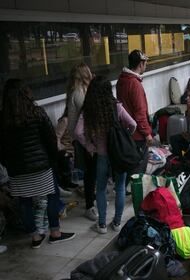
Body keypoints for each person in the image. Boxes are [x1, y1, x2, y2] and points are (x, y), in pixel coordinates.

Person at [0, 79, 75, 248]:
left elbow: (2, 148)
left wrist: (9, 165)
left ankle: (35, 237)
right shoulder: (37, 112)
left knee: (25, 202)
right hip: (41, 167)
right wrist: (52, 160)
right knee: (52, 196)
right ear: (26, 93)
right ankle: (55, 233)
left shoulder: (3, 119)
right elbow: (49, 139)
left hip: (17, 170)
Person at [75, 76, 137, 234]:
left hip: (101, 155)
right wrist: (125, 136)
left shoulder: (89, 110)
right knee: (120, 187)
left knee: (101, 189)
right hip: (118, 155)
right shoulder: (116, 107)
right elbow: (133, 124)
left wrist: (90, 146)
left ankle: (102, 224)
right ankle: (117, 223)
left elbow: (77, 132)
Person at [66, 62, 97, 221]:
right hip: (83, 139)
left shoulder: (77, 91)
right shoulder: (78, 93)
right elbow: (89, 111)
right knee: (90, 172)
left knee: (91, 172)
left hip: (83, 137)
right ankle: (90, 205)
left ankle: (92, 199)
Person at [116, 50, 152, 175]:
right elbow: (140, 112)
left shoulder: (122, 80)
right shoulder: (134, 83)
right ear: (141, 64)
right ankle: (136, 192)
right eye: (145, 62)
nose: (146, 65)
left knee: (128, 166)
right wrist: (147, 133)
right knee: (138, 168)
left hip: (125, 130)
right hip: (137, 134)